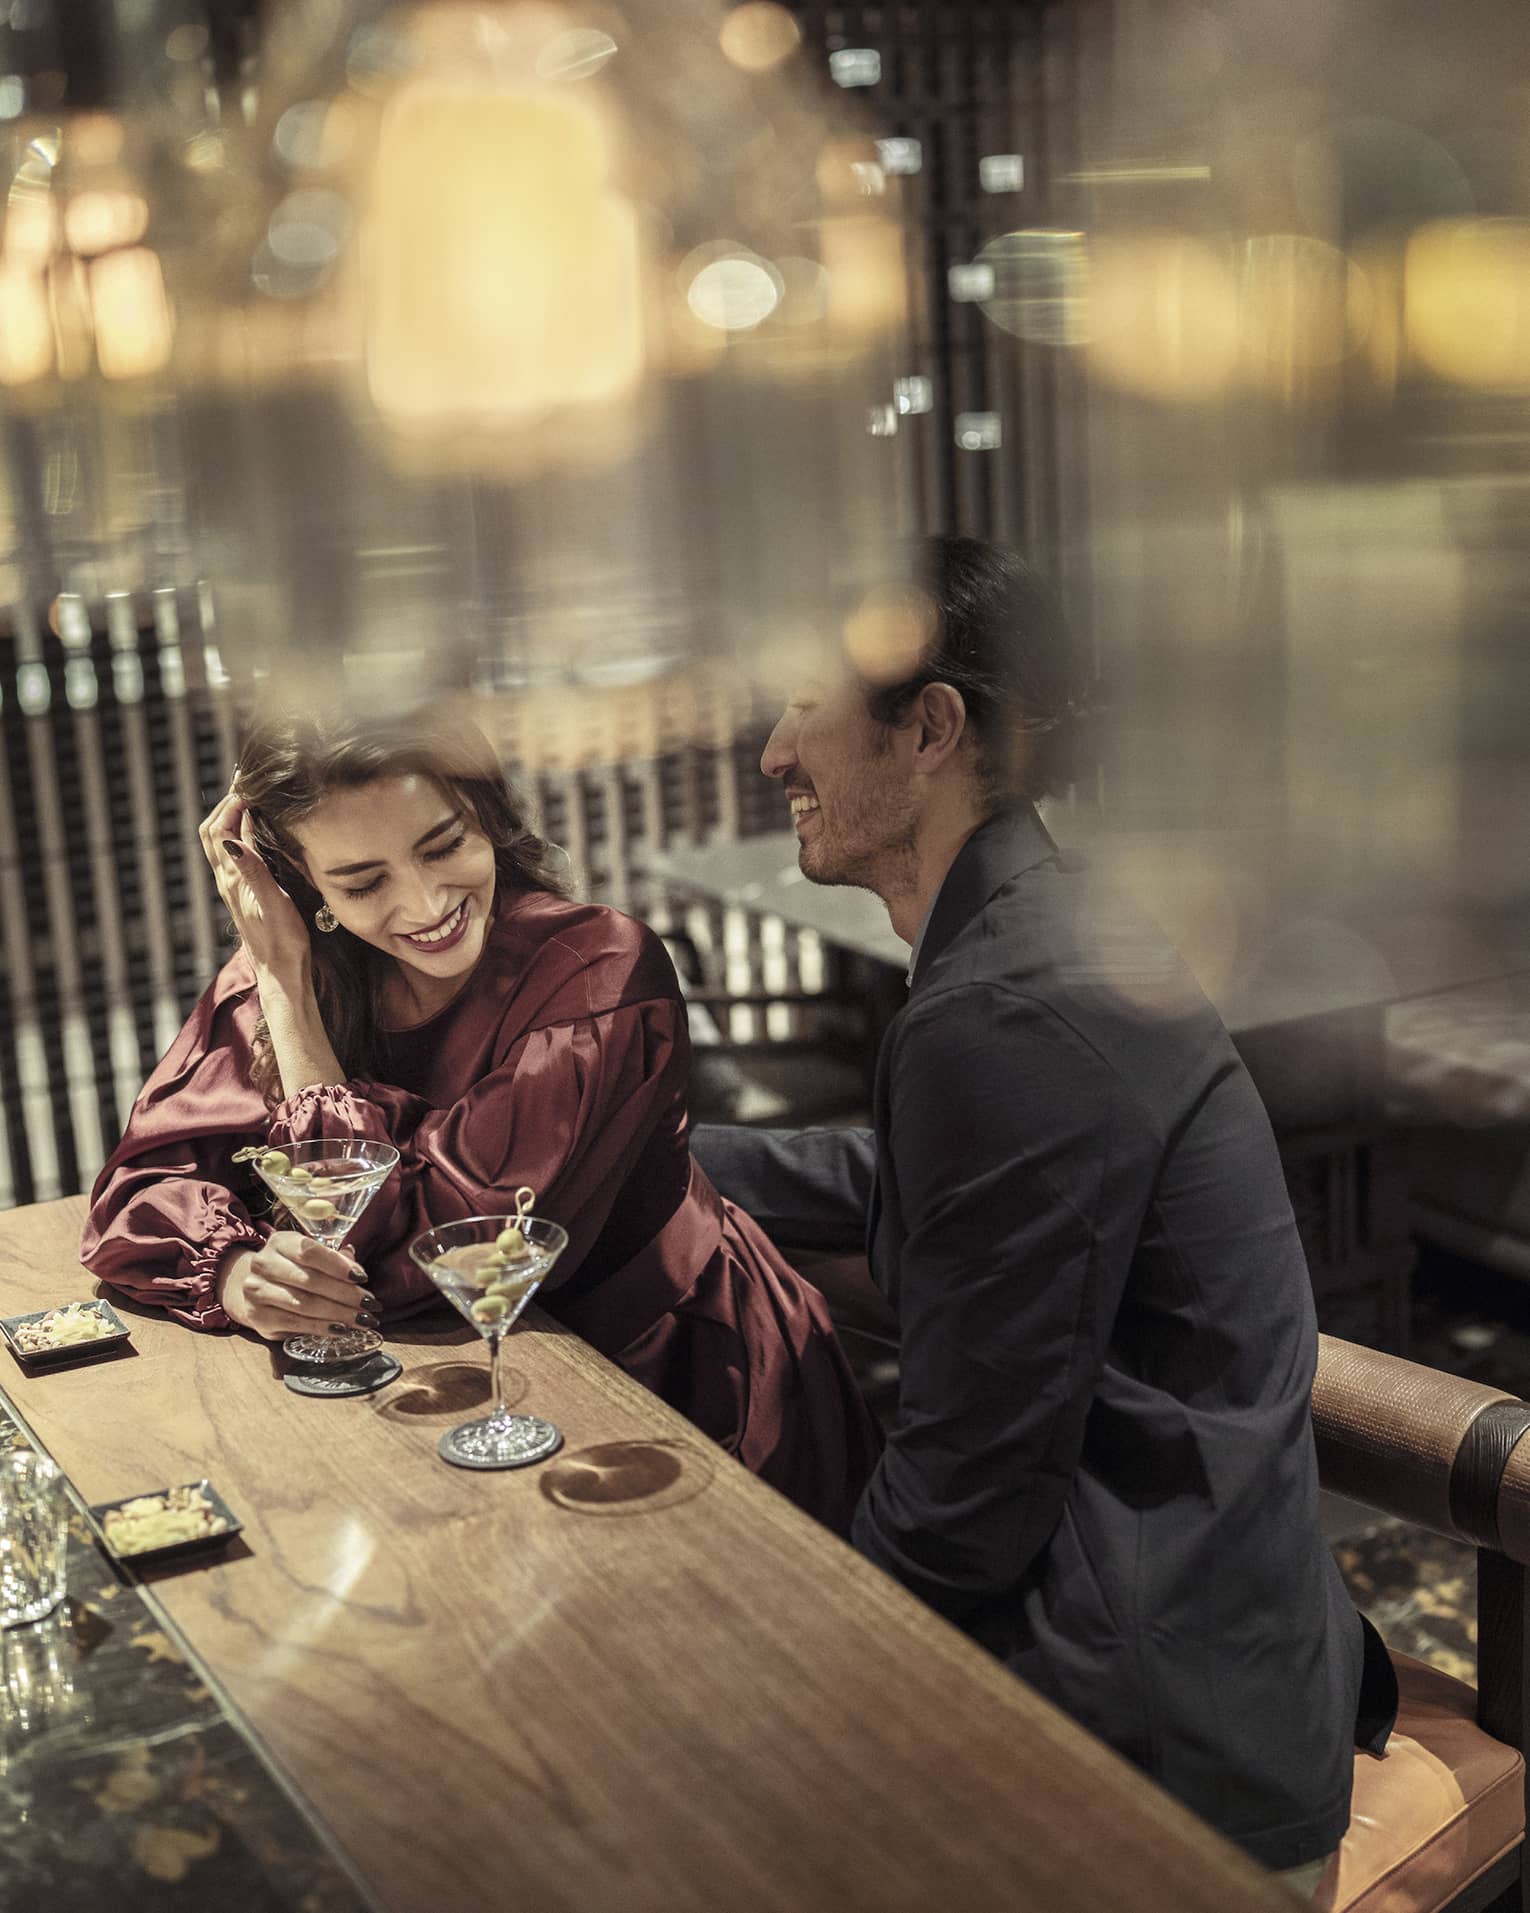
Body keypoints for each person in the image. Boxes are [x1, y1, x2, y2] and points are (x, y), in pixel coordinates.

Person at [690, 535, 1396, 1889]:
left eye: (800, 708)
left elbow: (962, 1494)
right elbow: (937, 1199)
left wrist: (791, 1676)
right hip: (1185, 1633)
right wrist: (662, 1159)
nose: (774, 755)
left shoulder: (1001, 1007)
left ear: (930, 728)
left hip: (1159, 1753)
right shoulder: (1027, 929)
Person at [81, 707, 881, 1533]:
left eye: (443, 846)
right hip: (444, 1409)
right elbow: (139, 1185)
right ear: (297, 881)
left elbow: (437, 1259)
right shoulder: (282, 971)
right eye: (362, 882)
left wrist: (292, 1006)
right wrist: (237, 1276)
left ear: (487, 816)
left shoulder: (600, 972)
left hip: (676, 1390)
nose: (425, 903)